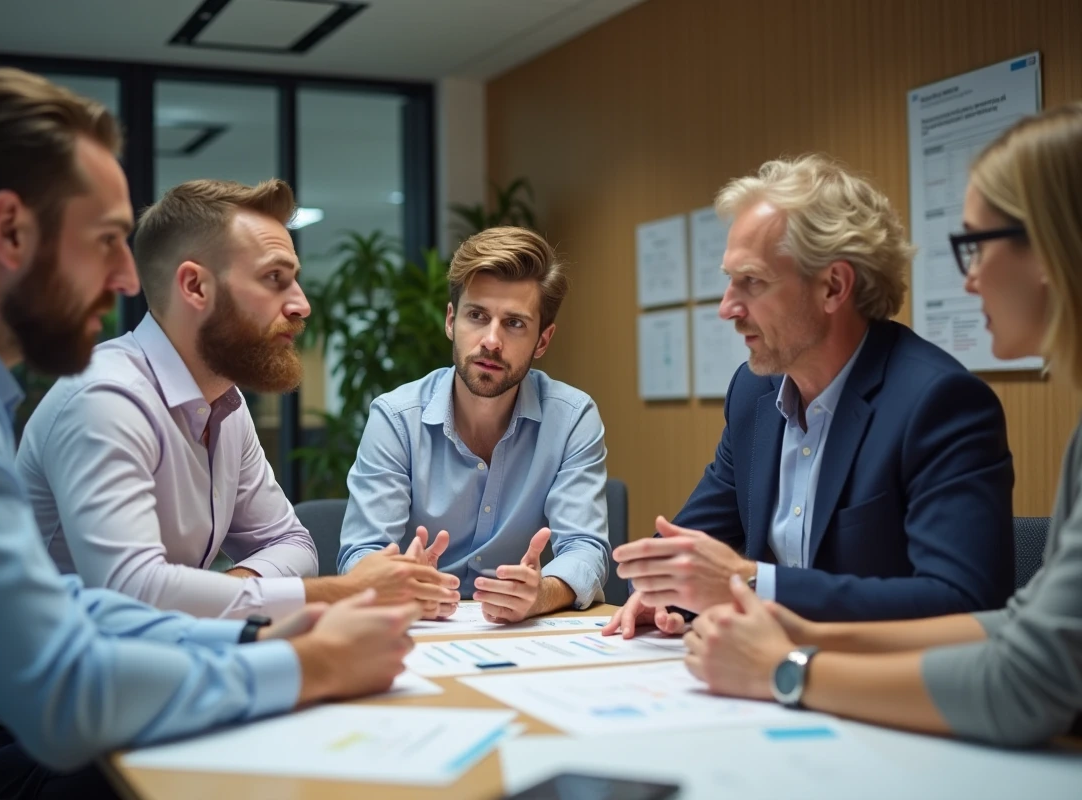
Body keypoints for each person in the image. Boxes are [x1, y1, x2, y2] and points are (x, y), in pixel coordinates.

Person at [0, 68, 417, 800]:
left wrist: (256, 633)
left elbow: (69, 606)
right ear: (9, 230)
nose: (130, 276)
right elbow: (64, 685)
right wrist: (309, 663)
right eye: (106, 240)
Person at [681, 102, 1082, 747]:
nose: (968, 278)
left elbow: (1016, 663)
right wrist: (710, 600)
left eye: (976, 245)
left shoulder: (938, 398)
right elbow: (1017, 625)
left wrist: (785, 664)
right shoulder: (754, 394)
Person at [605, 154, 1014, 638]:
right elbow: (695, 544)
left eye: (751, 282)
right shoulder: (753, 393)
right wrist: (664, 593)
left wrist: (752, 582)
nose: (727, 308)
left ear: (833, 286)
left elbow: (965, 605)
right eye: (729, 280)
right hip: (757, 679)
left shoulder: (937, 403)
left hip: (882, 696)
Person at [16, 178, 459, 622]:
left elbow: (293, 545)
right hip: (61, 683)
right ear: (195, 287)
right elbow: (135, 594)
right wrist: (343, 591)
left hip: (162, 661)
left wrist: (228, 591)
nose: (302, 305)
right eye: (274, 279)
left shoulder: (224, 403)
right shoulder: (105, 398)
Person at [337, 226, 611, 623]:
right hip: (414, 633)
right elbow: (359, 554)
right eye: (477, 316)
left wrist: (542, 593)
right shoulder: (396, 418)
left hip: (523, 638)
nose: (491, 341)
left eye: (514, 323)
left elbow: (585, 547)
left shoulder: (571, 418)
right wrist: (398, 583)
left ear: (543, 341)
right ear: (451, 321)